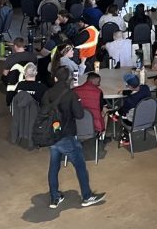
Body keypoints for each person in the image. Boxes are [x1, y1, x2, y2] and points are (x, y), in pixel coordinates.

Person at [43, 66, 105, 209]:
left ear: (55, 78)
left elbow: (45, 111)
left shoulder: (48, 93)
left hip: (53, 135)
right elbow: (80, 115)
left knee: (54, 167)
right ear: (69, 79)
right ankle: (87, 196)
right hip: (67, 136)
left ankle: (54, 197)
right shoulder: (71, 95)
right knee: (80, 166)